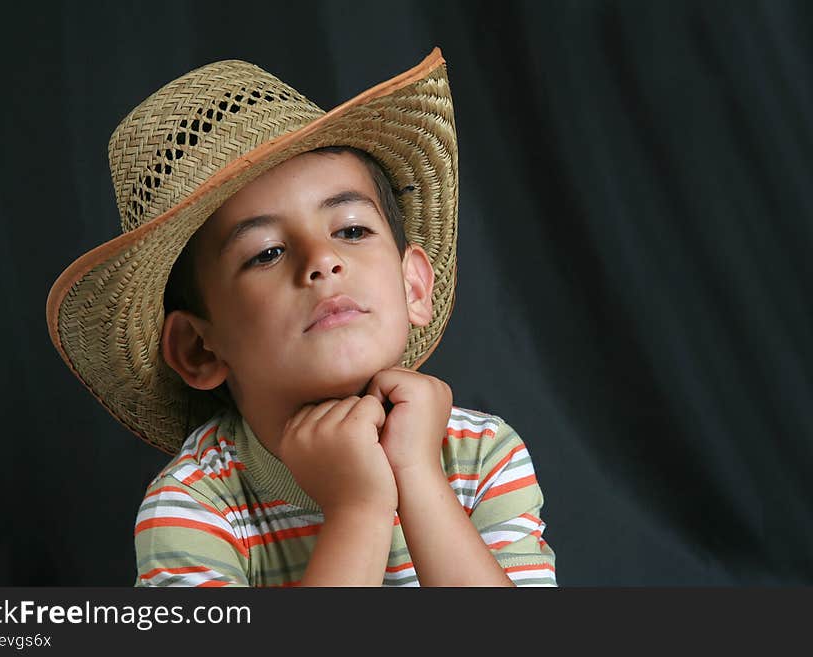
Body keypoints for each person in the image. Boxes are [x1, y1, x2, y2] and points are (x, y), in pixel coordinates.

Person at [46, 47, 556, 586]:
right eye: (266, 252)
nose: (323, 260)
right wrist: (357, 510)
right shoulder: (195, 505)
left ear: (413, 286)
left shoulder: (482, 457)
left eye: (351, 230)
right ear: (198, 348)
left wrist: (419, 476)